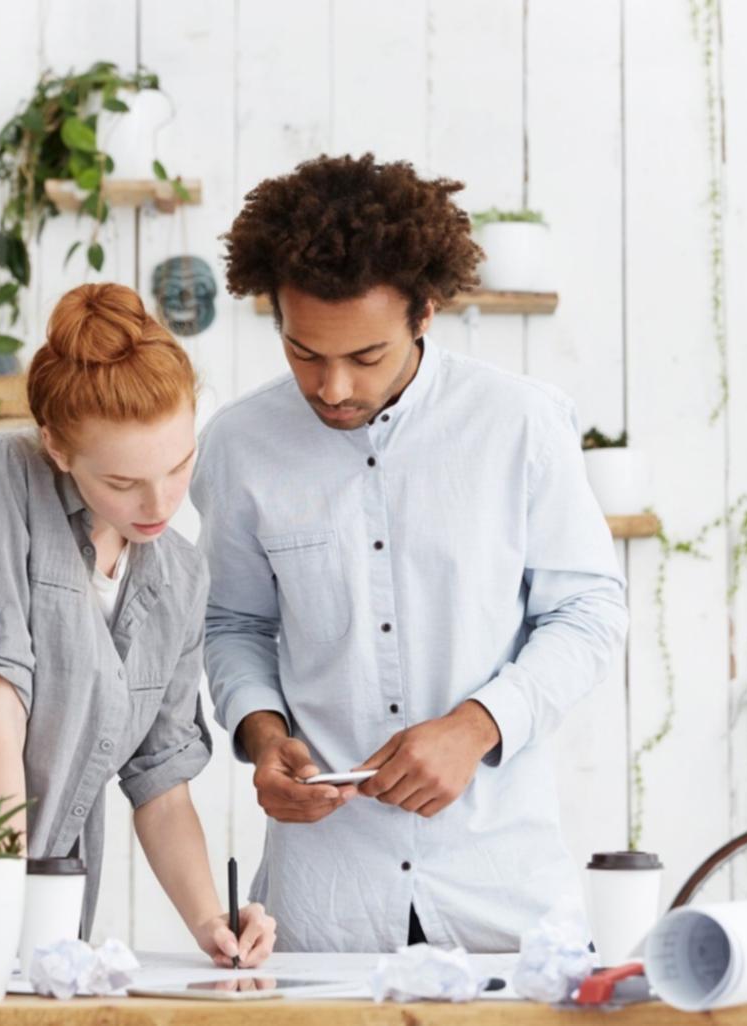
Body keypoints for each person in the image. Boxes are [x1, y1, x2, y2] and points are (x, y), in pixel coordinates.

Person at [193, 154, 630, 952]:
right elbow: (231, 624)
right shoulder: (238, 445)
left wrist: (475, 726)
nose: (329, 388)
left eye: (364, 357)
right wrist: (262, 736)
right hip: (323, 903)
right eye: (302, 353)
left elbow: (589, 612)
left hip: (502, 891)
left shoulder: (520, 425)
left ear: (425, 313)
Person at [0, 283, 276, 967]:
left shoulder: (180, 576)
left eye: (178, 465)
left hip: (44, 926)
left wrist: (212, 921)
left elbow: (160, 781)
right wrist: (0, 913)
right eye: (121, 483)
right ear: (56, 447)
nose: (159, 502)